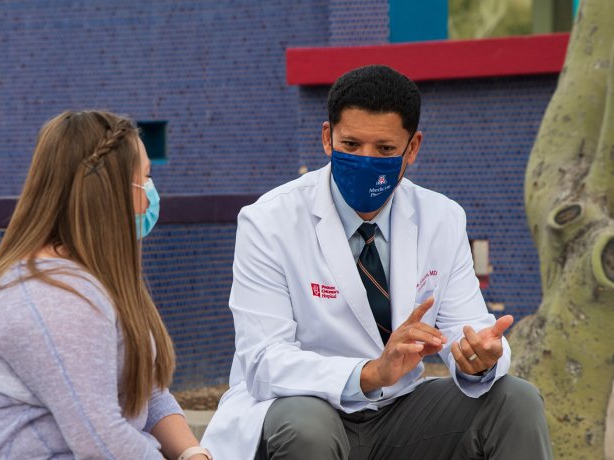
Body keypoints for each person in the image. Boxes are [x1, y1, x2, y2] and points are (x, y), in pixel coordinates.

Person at [201, 66, 552, 459]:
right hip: (303, 408)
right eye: (350, 145)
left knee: (515, 401)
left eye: (385, 150)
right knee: (308, 425)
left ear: (412, 148)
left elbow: (467, 328)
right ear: (326, 138)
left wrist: (478, 360)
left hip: (397, 411)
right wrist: (369, 373)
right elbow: (264, 361)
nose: (365, 161)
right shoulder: (269, 221)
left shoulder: (441, 217)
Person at [0, 110, 212, 460]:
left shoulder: (89, 280)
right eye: (145, 179)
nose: (151, 196)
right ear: (109, 193)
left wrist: (193, 453)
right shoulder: (53, 298)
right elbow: (101, 442)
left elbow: (145, 391)